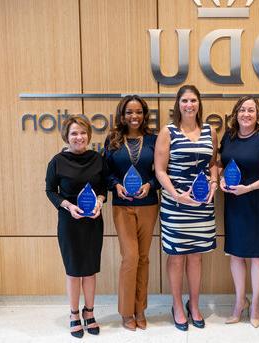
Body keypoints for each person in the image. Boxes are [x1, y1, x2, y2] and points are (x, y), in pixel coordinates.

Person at [154, 85, 218, 331]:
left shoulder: (210, 131)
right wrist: (177, 195)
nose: (189, 105)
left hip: (202, 205)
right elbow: (160, 170)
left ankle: (195, 304)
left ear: (199, 103)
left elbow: (213, 163)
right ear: (178, 105)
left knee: (196, 256)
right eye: (184, 101)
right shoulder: (168, 132)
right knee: (177, 256)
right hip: (176, 204)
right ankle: (177, 305)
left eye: (193, 100)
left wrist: (213, 182)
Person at [219, 96, 259, 328]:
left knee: (257, 256)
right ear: (236, 113)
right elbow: (221, 163)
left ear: (258, 115)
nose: (246, 114)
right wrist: (222, 179)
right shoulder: (229, 137)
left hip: (257, 203)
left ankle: (255, 304)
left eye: (251, 110)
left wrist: (250, 187)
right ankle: (239, 302)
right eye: (243, 110)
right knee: (236, 254)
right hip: (234, 204)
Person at [45, 116, 107, 338]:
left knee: (90, 271)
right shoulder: (57, 161)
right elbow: (50, 190)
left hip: (93, 222)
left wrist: (100, 202)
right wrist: (68, 205)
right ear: (66, 136)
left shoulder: (98, 159)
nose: (79, 137)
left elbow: (103, 188)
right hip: (69, 222)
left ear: (89, 135)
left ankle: (89, 312)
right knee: (73, 271)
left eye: (82, 133)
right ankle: (73, 314)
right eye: (74, 133)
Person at [103, 95, 159, 331]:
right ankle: (126, 312)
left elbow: (162, 171)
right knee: (130, 258)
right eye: (129, 112)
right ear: (122, 115)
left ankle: (140, 309)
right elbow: (105, 172)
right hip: (122, 205)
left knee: (144, 258)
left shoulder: (154, 141)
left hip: (148, 204)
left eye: (138, 112)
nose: (134, 116)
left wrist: (151, 184)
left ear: (144, 114)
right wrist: (116, 185)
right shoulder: (113, 140)